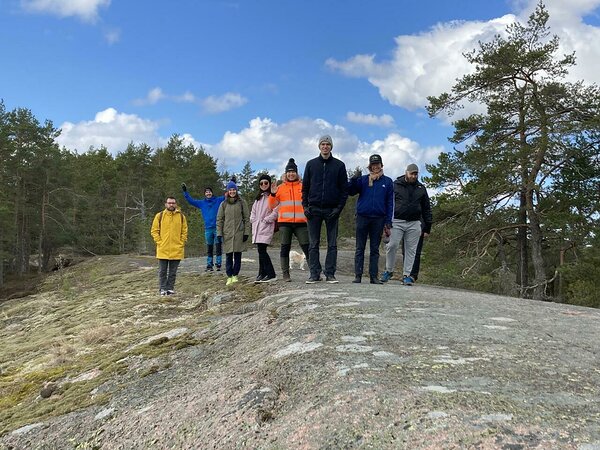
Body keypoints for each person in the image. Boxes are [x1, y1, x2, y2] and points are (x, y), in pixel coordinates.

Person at [302, 135, 348, 284]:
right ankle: (314, 274)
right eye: (323, 144)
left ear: (331, 147)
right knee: (313, 243)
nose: (325, 146)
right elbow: (305, 188)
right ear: (319, 146)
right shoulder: (311, 164)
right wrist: (305, 206)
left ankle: (330, 274)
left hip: (331, 210)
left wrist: (338, 209)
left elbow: (344, 190)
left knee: (332, 244)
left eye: (328, 144)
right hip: (313, 209)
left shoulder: (339, 166)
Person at [381, 163, 432, 286]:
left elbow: (426, 208)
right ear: (406, 173)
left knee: (411, 250)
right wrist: (385, 222)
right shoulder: (395, 185)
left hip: (414, 222)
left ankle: (407, 275)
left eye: (416, 174)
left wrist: (427, 227)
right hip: (397, 221)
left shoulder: (421, 188)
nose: (414, 176)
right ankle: (389, 270)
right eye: (412, 173)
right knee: (392, 245)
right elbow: (388, 203)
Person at [347, 154, 393, 284]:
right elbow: (350, 191)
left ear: (381, 165)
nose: (376, 167)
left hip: (379, 218)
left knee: (374, 249)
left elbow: (390, 203)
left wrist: (388, 221)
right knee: (359, 248)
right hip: (362, 217)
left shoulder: (388, 182)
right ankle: (358, 275)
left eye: (378, 164)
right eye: (373, 164)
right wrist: (353, 179)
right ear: (370, 166)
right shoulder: (363, 180)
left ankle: (373, 277)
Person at [268, 158, 310, 282]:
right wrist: (273, 194)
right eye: (289, 172)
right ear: (286, 174)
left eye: (293, 172)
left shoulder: (303, 187)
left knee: (307, 247)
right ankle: (285, 273)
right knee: (285, 247)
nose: (291, 174)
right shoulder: (280, 188)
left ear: (296, 173)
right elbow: (271, 206)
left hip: (301, 222)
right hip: (284, 222)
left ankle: (314, 271)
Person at [181, 184, 225, 272]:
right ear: (205, 194)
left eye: (209, 192)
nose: (208, 193)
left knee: (218, 246)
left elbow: (227, 195)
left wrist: (232, 182)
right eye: (206, 192)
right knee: (209, 247)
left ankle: (219, 264)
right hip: (208, 229)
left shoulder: (218, 200)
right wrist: (185, 191)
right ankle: (209, 264)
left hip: (217, 228)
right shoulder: (202, 203)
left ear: (212, 193)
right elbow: (190, 200)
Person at [150, 196, 188, 295]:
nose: (171, 205)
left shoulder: (181, 216)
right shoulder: (160, 215)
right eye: (169, 203)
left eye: (173, 203)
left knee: (173, 272)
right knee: (162, 271)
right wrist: (159, 242)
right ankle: (162, 289)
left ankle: (170, 288)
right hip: (163, 248)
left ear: (176, 204)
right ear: (166, 204)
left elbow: (184, 231)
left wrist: (181, 242)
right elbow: (154, 231)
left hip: (176, 249)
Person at [216, 178, 250, 286]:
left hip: (239, 233)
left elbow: (246, 218)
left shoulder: (242, 202)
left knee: (238, 256)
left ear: (236, 191)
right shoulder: (223, 204)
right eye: (230, 190)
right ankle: (229, 276)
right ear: (227, 191)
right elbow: (219, 219)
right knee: (229, 256)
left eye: (234, 190)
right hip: (227, 234)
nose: (232, 192)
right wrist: (219, 233)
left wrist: (246, 232)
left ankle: (235, 275)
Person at [250, 174, 279, 283]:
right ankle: (261, 273)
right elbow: (253, 211)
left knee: (262, 250)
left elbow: (276, 211)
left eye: (266, 183)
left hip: (266, 227)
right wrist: (252, 219)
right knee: (260, 250)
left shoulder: (272, 197)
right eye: (261, 183)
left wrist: (266, 220)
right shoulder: (258, 198)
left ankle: (271, 274)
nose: (263, 185)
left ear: (269, 184)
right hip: (257, 227)